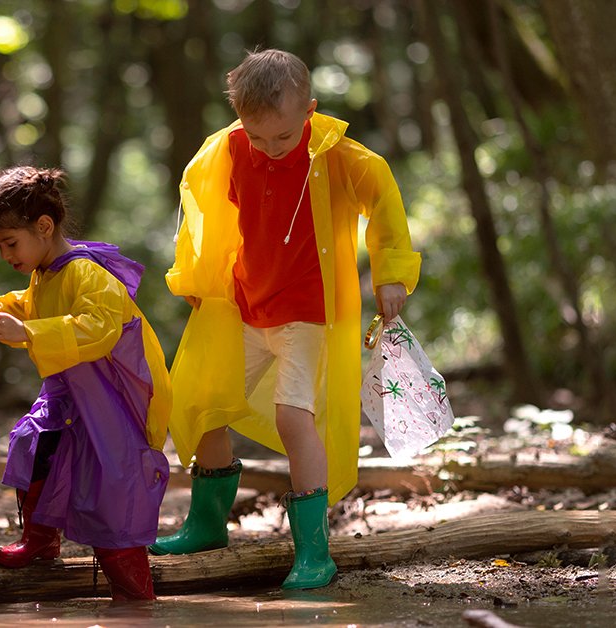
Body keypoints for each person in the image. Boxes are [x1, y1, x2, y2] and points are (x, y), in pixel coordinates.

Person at [152, 49, 421, 591]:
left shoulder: (340, 156)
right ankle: (207, 523)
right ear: (239, 118)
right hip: (246, 304)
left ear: (310, 111)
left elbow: (385, 201)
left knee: (294, 417)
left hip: (308, 313)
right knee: (204, 402)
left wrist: (390, 273)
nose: (270, 149)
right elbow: (202, 212)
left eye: (283, 137)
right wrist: (199, 279)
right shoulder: (227, 150)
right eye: (259, 137)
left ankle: (314, 550)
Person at [0, 162, 171, 601]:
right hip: (70, 393)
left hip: (113, 399)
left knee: (112, 485)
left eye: (10, 243)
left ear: (44, 226)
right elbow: (28, 306)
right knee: (33, 446)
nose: (6, 255)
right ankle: (41, 539)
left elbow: (98, 328)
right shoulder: (46, 273)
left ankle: (135, 595)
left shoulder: (87, 272)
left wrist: (29, 334)